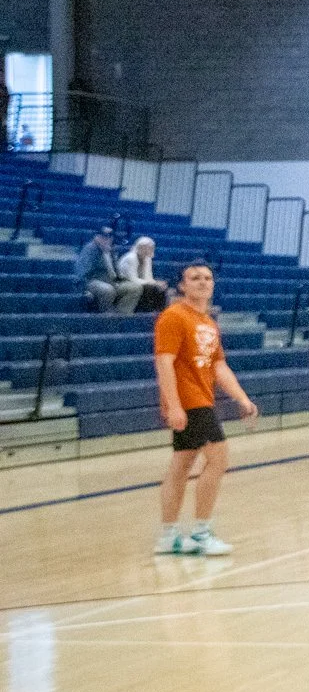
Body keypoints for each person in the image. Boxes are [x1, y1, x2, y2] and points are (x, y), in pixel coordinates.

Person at [153, 262, 259, 556]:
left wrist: (242, 398)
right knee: (218, 458)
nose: (202, 282)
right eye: (195, 278)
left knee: (181, 465)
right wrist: (174, 405)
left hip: (203, 398)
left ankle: (168, 536)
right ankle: (201, 533)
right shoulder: (173, 316)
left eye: (207, 278)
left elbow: (218, 365)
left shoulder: (209, 323)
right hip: (190, 402)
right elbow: (164, 362)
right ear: (182, 285)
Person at [76, 226, 137, 313]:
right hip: (93, 280)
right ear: (97, 237)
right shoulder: (90, 249)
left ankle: (122, 314)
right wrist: (83, 288)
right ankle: (107, 314)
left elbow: (116, 270)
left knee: (134, 288)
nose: (107, 239)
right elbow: (83, 271)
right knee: (107, 290)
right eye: (104, 236)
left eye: (110, 236)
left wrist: (120, 279)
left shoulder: (111, 250)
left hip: (112, 280)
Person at [117, 235, 167, 313]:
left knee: (160, 288)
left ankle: (160, 313)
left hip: (138, 282)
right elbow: (132, 279)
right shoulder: (131, 258)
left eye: (150, 248)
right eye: (145, 247)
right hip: (123, 282)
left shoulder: (147, 258)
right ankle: (145, 312)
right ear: (139, 247)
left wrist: (156, 283)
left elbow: (148, 277)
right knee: (148, 288)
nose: (147, 250)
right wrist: (154, 283)